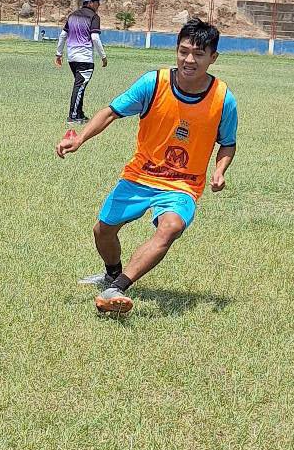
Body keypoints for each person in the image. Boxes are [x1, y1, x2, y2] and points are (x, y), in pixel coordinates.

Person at [56, 18, 238, 318]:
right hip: (141, 175)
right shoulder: (153, 83)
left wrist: (220, 171)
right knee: (102, 231)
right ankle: (111, 274)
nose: (189, 60)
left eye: (199, 54)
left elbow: (227, 143)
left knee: (171, 227)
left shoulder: (223, 99)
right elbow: (111, 112)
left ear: (213, 57)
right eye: (183, 51)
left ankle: (117, 289)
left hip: (184, 183)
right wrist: (81, 139)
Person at [56, 0, 108, 124]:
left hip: (72, 57)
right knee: (79, 86)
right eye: (97, 2)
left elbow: (63, 35)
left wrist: (59, 53)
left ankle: (79, 114)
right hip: (84, 58)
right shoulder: (94, 17)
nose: (99, 5)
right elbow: (95, 38)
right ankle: (73, 117)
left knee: (81, 86)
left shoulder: (72, 15)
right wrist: (103, 56)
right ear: (90, 3)